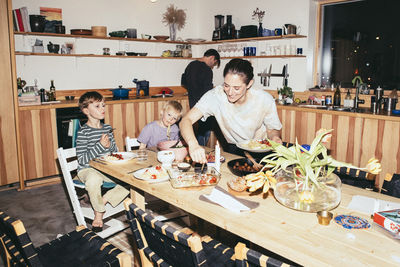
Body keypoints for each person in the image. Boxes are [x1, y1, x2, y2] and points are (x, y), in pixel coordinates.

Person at [180, 58, 282, 163]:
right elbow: (186, 120)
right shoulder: (215, 96)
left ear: (249, 84)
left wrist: (275, 138)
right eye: (226, 86)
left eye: (237, 88)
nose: (230, 92)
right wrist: (193, 144)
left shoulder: (264, 99)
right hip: (234, 149)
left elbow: (272, 130)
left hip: (260, 150)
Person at [76, 91, 129, 232]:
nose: (103, 109)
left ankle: (103, 200)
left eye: (103, 105)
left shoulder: (107, 128)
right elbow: (81, 159)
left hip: (105, 168)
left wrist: (109, 145)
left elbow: (112, 151)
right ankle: (99, 214)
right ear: (86, 111)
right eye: (98, 106)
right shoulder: (83, 132)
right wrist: (99, 146)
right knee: (93, 179)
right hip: (86, 169)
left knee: (130, 180)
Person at [181, 49, 220, 146]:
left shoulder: (191, 65)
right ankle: (201, 154)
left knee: (195, 131)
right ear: (212, 58)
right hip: (204, 107)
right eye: (214, 64)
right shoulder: (207, 70)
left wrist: (192, 89)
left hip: (193, 106)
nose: (212, 66)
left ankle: (195, 152)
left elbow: (183, 82)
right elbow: (209, 91)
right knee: (204, 132)